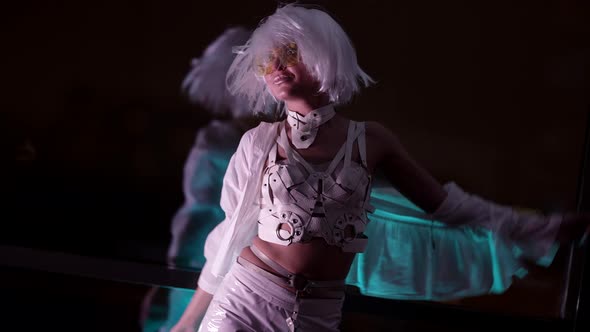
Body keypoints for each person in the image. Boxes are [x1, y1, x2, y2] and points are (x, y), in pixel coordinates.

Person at [171, 4, 590, 332]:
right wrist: (188, 322)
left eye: (290, 53)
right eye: (267, 61)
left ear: (323, 55)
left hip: (318, 313)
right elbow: (230, 235)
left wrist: (538, 228)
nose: (276, 68)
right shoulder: (258, 141)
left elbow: (447, 207)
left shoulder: (371, 140)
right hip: (244, 301)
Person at [140, 26, 258, 332]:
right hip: (218, 272)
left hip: (227, 272)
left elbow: (198, 216)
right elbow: (198, 214)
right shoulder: (221, 144)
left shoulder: (237, 141)